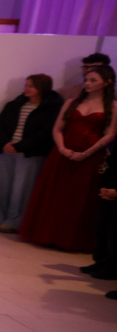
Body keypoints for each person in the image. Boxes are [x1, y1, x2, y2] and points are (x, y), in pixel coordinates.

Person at [20, 66, 117, 252]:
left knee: (79, 198)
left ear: (107, 82)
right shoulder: (72, 102)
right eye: (86, 79)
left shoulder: (113, 106)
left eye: (93, 80)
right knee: (56, 195)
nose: (87, 83)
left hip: (90, 156)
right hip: (63, 153)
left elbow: (110, 135)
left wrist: (86, 153)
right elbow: (57, 129)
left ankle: (71, 239)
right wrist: (63, 149)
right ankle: (48, 235)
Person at [0, 75, 61, 233]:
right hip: (7, 151)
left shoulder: (51, 108)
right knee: (1, 186)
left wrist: (20, 146)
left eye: (31, 86)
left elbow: (45, 133)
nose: (26, 89)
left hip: (30, 153)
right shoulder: (14, 104)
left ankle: (14, 221)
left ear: (42, 88)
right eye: (26, 85)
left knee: (21, 189)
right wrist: (4, 143)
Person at [82, 149, 116, 281]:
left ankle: (112, 267)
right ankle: (102, 261)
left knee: (113, 232)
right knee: (102, 227)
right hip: (112, 181)